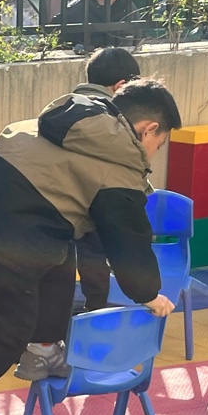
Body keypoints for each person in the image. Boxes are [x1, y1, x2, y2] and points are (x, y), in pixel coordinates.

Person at [0, 78, 181, 415]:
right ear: (148, 129)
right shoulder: (118, 161)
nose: (154, 153)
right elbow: (127, 237)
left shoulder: (80, 121)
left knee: (60, 261)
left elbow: (88, 222)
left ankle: (42, 350)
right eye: (159, 144)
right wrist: (148, 293)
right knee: (11, 322)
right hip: (11, 229)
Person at [74, 47, 142, 314]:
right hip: (99, 200)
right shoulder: (113, 118)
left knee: (83, 259)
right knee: (101, 256)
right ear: (121, 86)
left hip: (67, 204)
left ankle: (91, 307)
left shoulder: (68, 105)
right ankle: (100, 309)